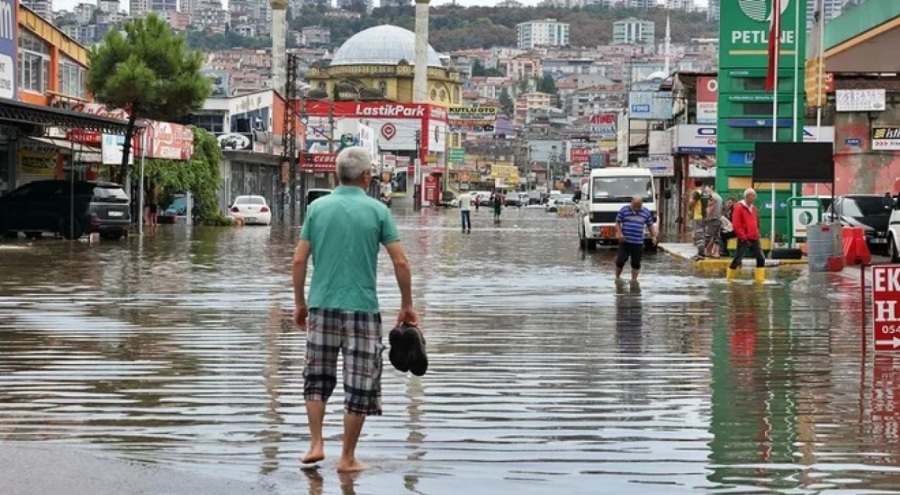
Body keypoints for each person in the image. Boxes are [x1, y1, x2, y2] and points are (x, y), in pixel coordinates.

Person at [292, 146, 419, 473]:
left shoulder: (317, 209)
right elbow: (401, 262)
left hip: (321, 307)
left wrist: (300, 303)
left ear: (337, 175)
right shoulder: (378, 211)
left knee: (316, 377)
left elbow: (299, 260)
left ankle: (316, 444)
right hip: (362, 310)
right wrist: (407, 304)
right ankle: (347, 458)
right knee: (360, 382)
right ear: (366, 176)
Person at [615, 195, 658, 281]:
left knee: (636, 263)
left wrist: (653, 236)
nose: (636, 208)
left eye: (639, 206)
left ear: (642, 204)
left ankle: (634, 281)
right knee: (620, 261)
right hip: (625, 241)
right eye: (635, 206)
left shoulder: (646, 212)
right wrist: (620, 234)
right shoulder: (624, 210)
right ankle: (617, 278)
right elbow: (617, 222)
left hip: (638, 242)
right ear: (631, 202)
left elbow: (650, 225)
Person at [728, 188, 766, 282]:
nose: (755, 197)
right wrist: (743, 237)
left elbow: (756, 222)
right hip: (744, 238)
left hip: (754, 237)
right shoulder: (739, 208)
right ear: (748, 196)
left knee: (761, 258)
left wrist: (757, 232)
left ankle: (759, 280)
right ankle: (729, 279)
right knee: (738, 259)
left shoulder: (753, 208)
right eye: (753, 196)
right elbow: (736, 225)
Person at [688, 180, 710, 258]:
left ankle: (701, 253)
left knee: (699, 235)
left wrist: (690, 197)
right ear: (702, 184)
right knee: (703, 234)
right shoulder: (705, 193)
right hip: (705, 216)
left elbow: (692, 203)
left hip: (698, 216)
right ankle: (703, 252)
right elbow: (710, 202)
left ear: (695, 184)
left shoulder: (697, 193)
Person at [703, 185, 724, 258]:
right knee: (716, 237)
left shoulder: (712, 197)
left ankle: (703, 251)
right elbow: (721, 207)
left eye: (706, 190)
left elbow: (711, 207)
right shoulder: (719, 197)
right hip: (718, 218)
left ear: (711, 188)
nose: (706, 192)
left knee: (707, 236)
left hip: (712, 219)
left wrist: (707, 216)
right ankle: (716, 253)